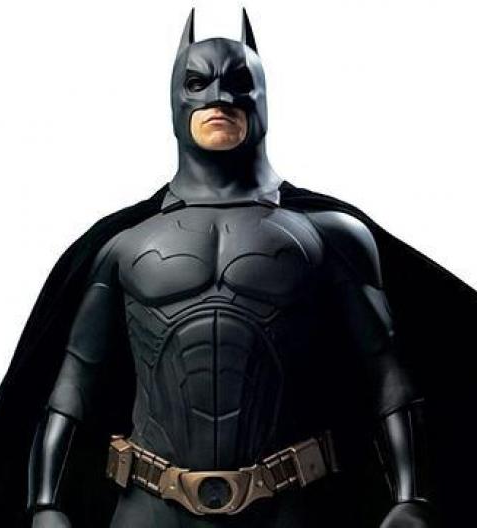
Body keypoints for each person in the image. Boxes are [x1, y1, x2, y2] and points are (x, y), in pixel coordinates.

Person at [24, 9, 431, 528]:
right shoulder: (122, 243)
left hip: (289, 506)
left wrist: (410, 497)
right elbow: (74, 380)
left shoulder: (330, 236)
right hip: (150, 507)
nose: (219, 97)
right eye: (198, 82)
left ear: (263, 99)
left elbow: (385, 371)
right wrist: (46, 503)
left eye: (238, 82)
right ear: (176, 99)